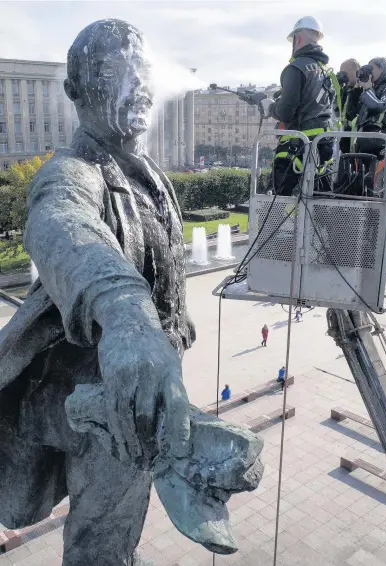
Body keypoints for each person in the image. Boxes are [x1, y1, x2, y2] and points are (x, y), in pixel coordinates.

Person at [0, 19, 197, 566]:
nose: (137, 84)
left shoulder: (148, 172)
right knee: (103, 542)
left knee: (122, 530)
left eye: (142, 70)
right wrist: (127, 313)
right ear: (76, 90)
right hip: (106, 402)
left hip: (145, 386)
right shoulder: (69, 174)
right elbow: (65, 227)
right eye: (114, 69)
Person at [255, 17, 338, 195]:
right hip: (323, 146)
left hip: (296, 145)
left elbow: (286, 111)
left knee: (275, 202)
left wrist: (270, 107)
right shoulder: (326, 72)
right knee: (321, 202)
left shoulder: (296, 68)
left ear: (297, 39)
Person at [355, 57, 386, 193]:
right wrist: (355, 88)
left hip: (381, 137)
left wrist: (368, 88)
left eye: (371, 68)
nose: (368, 72)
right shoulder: (371, 87)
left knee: (371, 180)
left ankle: (371, 210)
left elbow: (380, 106)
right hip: (364, 137)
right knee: (359, 180)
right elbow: (353, 113)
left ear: (382, 68)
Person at [337, 59, 363, 154]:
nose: (343, 75)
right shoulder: (344, 90)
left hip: (359, 133)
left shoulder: (363, 89)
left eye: (345, 72)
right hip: (346, 132)